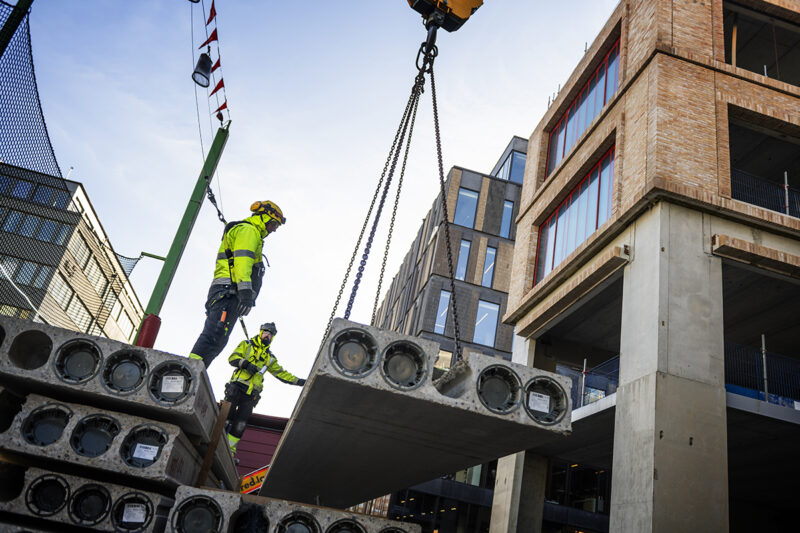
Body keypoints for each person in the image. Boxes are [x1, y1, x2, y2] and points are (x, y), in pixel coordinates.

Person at [189, 200, 285, 368]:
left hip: (230, 293)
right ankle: (188, 371)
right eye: (274, 224)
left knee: (218, 340)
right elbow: (243, 262)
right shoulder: (249, 231)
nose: (274, 229)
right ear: (265, 218)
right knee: (213, 336)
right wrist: (246, 293)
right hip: (227, 291)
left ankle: (196, 372)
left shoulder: (252, 233)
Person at [224, 322, 305, 452]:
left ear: (272, 337)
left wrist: (300, 381)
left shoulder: (270, 358)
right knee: (226, 415)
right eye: (266, 332)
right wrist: (246, 364)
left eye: (270, 334)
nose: (267, 335)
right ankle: (215, 440)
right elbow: (232, 358)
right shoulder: (247, 344)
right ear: (261, 332)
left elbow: (282, 374)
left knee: (241, 424)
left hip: (252, 394)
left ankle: (229, 451)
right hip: (237, 387)